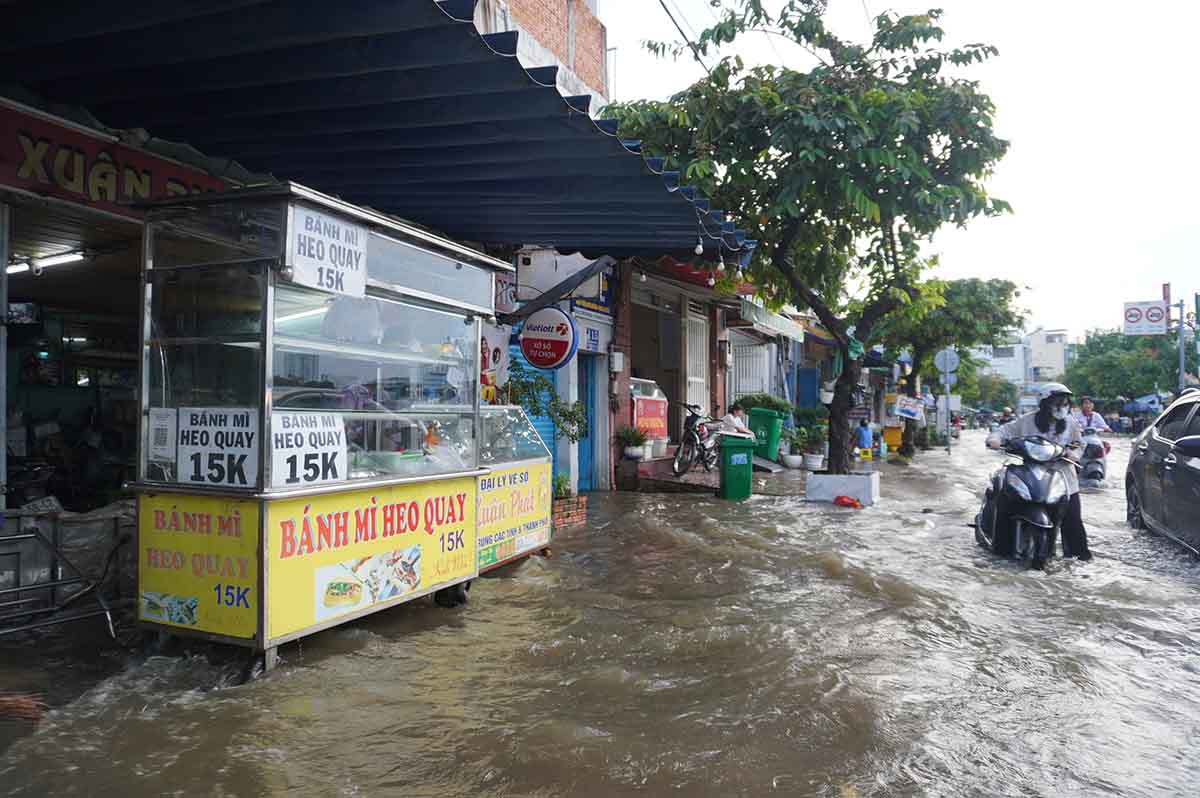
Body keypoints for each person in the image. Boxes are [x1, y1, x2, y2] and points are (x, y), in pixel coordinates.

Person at [986, 382, 1092, 560]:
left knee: (1073, 520)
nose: (1062, 405)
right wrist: (995, 439)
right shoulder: (1027, 420)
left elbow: (1078, 443)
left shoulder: (1071, 423)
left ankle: (1080, 559)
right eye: (1058, 401)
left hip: (1062, 476)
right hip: (1030, 473)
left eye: (1065, 401)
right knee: (1005, 503)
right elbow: (1005, 430)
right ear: (1045, 403)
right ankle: (1000, 551)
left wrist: (1074, 454)